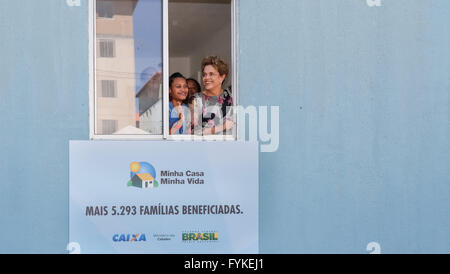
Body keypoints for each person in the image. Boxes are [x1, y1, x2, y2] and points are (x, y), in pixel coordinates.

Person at [193, 56, 235, 136]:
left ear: (222, 77)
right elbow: (194, 132)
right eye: (204, 75)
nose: (206, 78)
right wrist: (222, 127)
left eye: (211, 74)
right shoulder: (197, 99)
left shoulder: (231, 97)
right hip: (206, 147)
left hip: (229, 146)